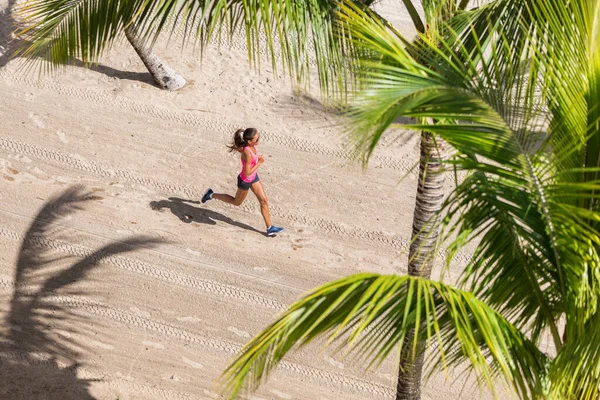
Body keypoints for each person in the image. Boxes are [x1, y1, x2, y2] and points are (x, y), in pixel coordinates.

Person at [201, 128, 284, 236]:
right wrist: (259, 163)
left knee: (264, 201)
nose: (259, 139)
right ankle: (211, 194)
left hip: (254, 178)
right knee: (236, 202)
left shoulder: (250, 147)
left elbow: (241, 150)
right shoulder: (248, 152)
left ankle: (270, 228)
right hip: (245, 181)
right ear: (250, 141)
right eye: (257, 138)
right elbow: (246, 173)